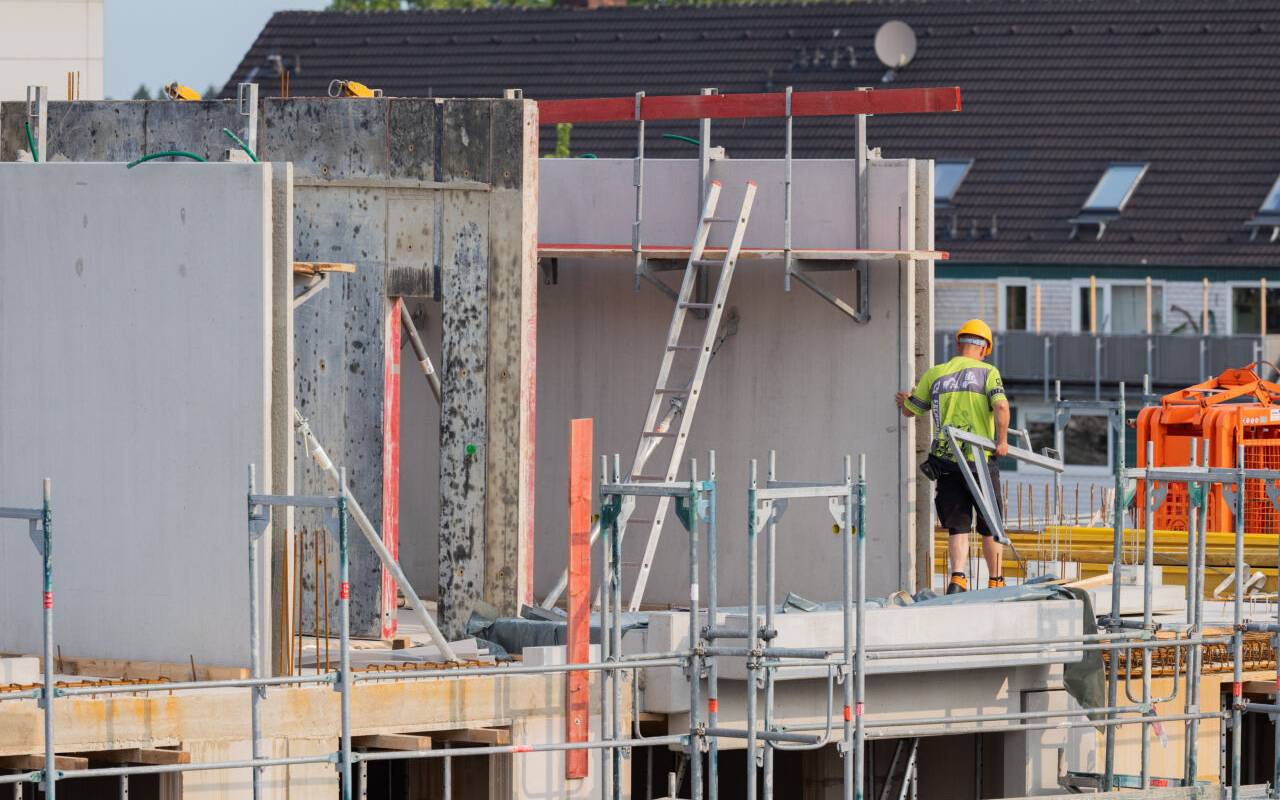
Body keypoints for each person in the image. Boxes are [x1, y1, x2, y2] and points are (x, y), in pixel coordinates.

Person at [895, 319, 1011, 594]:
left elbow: (911, 410)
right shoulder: (988, 372)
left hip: (946, 462)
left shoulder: (935, 374)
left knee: (958, 524)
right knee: (990, 523)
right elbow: (1002, 406)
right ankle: (995, 580)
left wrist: (906, 400)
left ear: (959, 344)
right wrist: (1002, 441)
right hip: (979, 461)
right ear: (984, 349)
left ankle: (957, 579)